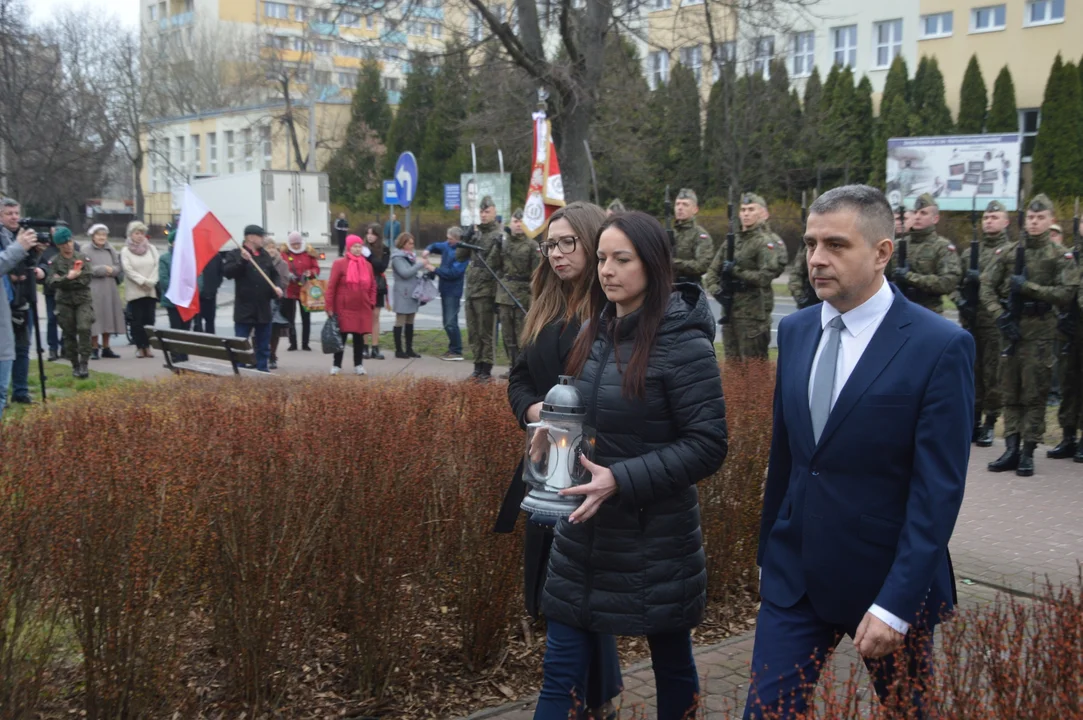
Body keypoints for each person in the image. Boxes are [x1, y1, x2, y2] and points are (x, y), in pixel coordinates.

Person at [746, 185, 975, 720]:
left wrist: (897, 604)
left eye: (836, 245)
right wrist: (768, 555)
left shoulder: (938, 345)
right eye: (809, 243)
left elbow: (936, 491)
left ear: (882, 252)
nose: (817, 259)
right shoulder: (798, 329)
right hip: (795, 578)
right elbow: (789, 458)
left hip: (886, 582)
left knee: (909, 712)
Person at [534, 210, 728, 720]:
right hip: (583, 530)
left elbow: (708, 444)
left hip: (655, 538)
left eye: (622, 259)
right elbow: (590, 412)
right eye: (601, 258)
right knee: (559, 671)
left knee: (671, 662)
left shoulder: (684, 343)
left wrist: (620, 479)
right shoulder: (597, 330)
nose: (606, 270)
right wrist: (552, 436)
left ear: (654, 265)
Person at [500, 201, 623, 720]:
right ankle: (601, 699)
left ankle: (585, 702)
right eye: (550, 244)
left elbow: (624, 391)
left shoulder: (613, 308)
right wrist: (536, 412)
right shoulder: (544, 305)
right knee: (560, 593)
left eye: (568, 242)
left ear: (594, 243)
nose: (556, 253)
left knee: (576, 595)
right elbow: (519, 378)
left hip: (595, 471)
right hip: (545, 466)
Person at [981, 194, 1081, 476]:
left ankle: (1028, 451)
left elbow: (1066, 294)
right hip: (1011, 330)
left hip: (1041, 333)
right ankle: (1011, 448)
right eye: (1031, 218)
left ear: (1051, 221)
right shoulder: (1010, 253)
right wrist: (1000, 315)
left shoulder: (1061, 256)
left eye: (1040, 218)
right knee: (1010, 390)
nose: (1034, 223)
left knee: (1035, 393)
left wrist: (1030, 288)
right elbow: (986, 286)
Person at [953, 201, 1011, 448]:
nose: (989, 221)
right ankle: (973, 421)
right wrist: (960, 301)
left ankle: (990, 421)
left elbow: (1009, 288)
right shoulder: (968, 254)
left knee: (993, 373)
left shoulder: (1010, 252)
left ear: (1006, 222)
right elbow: (954, 283)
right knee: (971, 372)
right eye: (986, 217)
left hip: (994, 322)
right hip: (971, 319)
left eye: (995, 217)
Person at [704, 192, 783, 361]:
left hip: (753, 317)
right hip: (730, 313)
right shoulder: (731, 242)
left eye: (751, 209)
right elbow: (711, 272)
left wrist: (737, 271)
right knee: (732, 368)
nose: (746, 213)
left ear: (760, 213)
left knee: (754, 371)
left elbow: (765, 277)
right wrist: (718, 293)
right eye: (743, 209)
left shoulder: (763, 242)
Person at [888, 193, 962, 315]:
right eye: (915, 212)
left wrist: (910, 277)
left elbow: (948, 282)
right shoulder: (897, 245)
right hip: (898, 310)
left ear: (935, 219)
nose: (917, 217)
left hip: (929, 313)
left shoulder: (942, 247)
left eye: (923, 213)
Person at [222, 225, 282, 373]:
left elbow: (274, 275)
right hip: (244, 308)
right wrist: (242, 261)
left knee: (263, 345)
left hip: (263, 308)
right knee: (241, 344)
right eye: (261, 236)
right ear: (250, 237)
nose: (263, 239)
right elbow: (228, 273)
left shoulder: (264, 255)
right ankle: (241, 372)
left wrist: (277, 288)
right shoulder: (235, 254)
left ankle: (262, 370)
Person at [0, 197, 43, 404]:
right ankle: (6, 392)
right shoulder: (6, 238)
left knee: (23, 347)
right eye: (9, 213)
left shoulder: (23, 235)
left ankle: (20, 390)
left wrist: (37, 262)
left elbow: (32, 265)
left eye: (17, 213)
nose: (14, 217)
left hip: (23, 297)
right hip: (6, 300)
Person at [457, 195, 503, 381]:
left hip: (487, 292)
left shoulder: (497, 236)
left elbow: (499, 266)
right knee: (473, 332)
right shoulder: (476, 235)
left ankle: (486, 368)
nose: (483, 215)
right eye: (481, 212)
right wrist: (465, 237)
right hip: (472, 291)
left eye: (487, 211)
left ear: (494, 212)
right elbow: (460, 256)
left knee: (486, 333)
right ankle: (477, 366)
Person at [488, 208, 538, 375]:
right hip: (504, 294)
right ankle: (512, 366)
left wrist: (534, 298)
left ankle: (523, 369)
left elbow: (536, 274)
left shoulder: (532, 245)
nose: (518, 225)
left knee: (521, 335)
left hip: (523, 295)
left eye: (521, 222)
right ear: (511, 224)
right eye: (515, 222)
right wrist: (496, 246)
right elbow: (493, 265)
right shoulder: (504, 242)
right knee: (507, 335)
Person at [45, 227, 95, 379]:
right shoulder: (54, 261)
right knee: (69, 333)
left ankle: (85, 362)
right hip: (64, 302)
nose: (68, 245)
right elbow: (51, 282)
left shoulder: (82, 258)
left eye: (69, 242)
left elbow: (86, 278)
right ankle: (75, 364)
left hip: (82, 300)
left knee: (84, 327)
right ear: (59, 245)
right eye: (64, 243)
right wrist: (69, 277)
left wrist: (64, 280)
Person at [326, 234, 377, 375]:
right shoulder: (340, 264)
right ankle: (336, 364)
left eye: (360, 246)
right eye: (355, 246)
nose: (357, 249)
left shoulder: (367, 265)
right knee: (341, 337)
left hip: (361, 307)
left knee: (359, 337)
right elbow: (331, 286)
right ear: (349, 247)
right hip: (343, 307)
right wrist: (329, 306)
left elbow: (373, 286)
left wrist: (371, 301)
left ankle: (358, 364)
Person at [422, 226, 469, 361]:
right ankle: (453, 348)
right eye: (447, 238)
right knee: (446, 321)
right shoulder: (447, 246)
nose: (448, 241)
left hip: (453, 291)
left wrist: (434, 269)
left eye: (451, 239)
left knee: (450, 321)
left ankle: (456, 350)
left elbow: (454, 273)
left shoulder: (462, 254)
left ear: (458, 240)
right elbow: (436, 245)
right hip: (444, 289)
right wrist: (428, 250)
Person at [37, 227, 81, 361]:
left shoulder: (75, 249)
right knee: (52, 319)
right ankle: (52, 349)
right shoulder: (47, 251)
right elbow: (41, 273)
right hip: (52, 292)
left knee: (68, 320)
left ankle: (66, 347)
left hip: (69, 291)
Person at [84, 223, 125, 360]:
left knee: (108, 316)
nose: (102, 237)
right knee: (96, 318)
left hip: (109, 288)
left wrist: (112, 270)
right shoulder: (86, 250)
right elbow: (85, 268)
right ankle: (94, 347)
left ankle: (107, 347)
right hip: (94, 288)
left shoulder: (111, 249)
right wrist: (102, 269)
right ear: (93, 236)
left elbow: (118, 267)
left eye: (104, 235)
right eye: (99, 235)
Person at [390, 232, 433, 359]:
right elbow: (405, 273)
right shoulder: (397, 258)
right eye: (409, 243)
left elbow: (413, 273)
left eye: (413, 243)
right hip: (402, 292)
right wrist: (420, 264)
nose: (412, 246)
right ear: (403, 244)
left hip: (413, 292)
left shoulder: (411, 256)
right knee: (400, 320)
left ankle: (409, 348)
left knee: (410, 320)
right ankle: (399, 349)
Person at [120, 220, 160, 359]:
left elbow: (157, 266)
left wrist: (151, 282)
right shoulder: (125, 251)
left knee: (149, 320)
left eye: (142, 233)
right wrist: (142, 281)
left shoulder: (152, 248)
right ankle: (139, 347)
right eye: (137, 233)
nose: (140, 236)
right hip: (135, 291)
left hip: (150, 290)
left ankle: (148, 346)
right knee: (136, 322)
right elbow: (128, 269)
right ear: (131, 234)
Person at [281, 231, 320, 351]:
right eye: (293, 244)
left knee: (306, 317)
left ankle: (305, 343)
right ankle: (292, 343)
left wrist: (311, 272)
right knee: (290, 317)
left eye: (298, 244)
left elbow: (316, 267)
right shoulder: (284, 253)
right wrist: (288, 275)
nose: (296, 246)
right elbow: (280, 267)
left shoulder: (308, 252)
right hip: (290, 288)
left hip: (305, 288)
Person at [158, 230, 193, 362]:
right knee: (176, 329)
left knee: (186, 330)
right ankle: (176, 357)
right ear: (172, 243)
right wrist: (178, 292)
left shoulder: (189, 257)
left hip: (187, 301)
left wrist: (192, 291)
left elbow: (197, 277)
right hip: (173, 301)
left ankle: (184, 357)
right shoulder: (165, 259)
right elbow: (164, 280)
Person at [670, 188, 714, 285]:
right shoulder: (669, 233)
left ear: (695, 209)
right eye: (677, 204)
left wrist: (674, 263)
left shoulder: (700, 235)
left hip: (690, 288)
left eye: (685, 204)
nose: (680, 208)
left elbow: (702, 266)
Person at [363, 224, 391, 360]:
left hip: (377, 285)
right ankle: (364, 347)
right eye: (368, 233)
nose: (369, 236)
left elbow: (382, 267)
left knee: (375, 315)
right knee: (365, 315)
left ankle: (375, 347)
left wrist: (370, 257)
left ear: (378, 236)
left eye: (373, 234)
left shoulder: (384, 249)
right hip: (364, 285)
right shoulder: (362, 248)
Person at [264, 241, 291, 370]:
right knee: (258, 331)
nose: (271, 250)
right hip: (262, 301)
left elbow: (285, 281)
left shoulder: (283, 264)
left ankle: (272, 356)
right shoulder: (259, 262)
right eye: (268, 248)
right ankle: (260, 355)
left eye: (273, 248)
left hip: (277, 301)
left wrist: (276, 288)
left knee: (275, 331)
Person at [192, 250, 224, 336]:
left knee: (210, 322)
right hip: (195, 296)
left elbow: (220, 273)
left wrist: (214, 286)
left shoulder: (215, 256)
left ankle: (211, 343)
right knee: (197, 323)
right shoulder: (192, 254)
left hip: (210, 294)